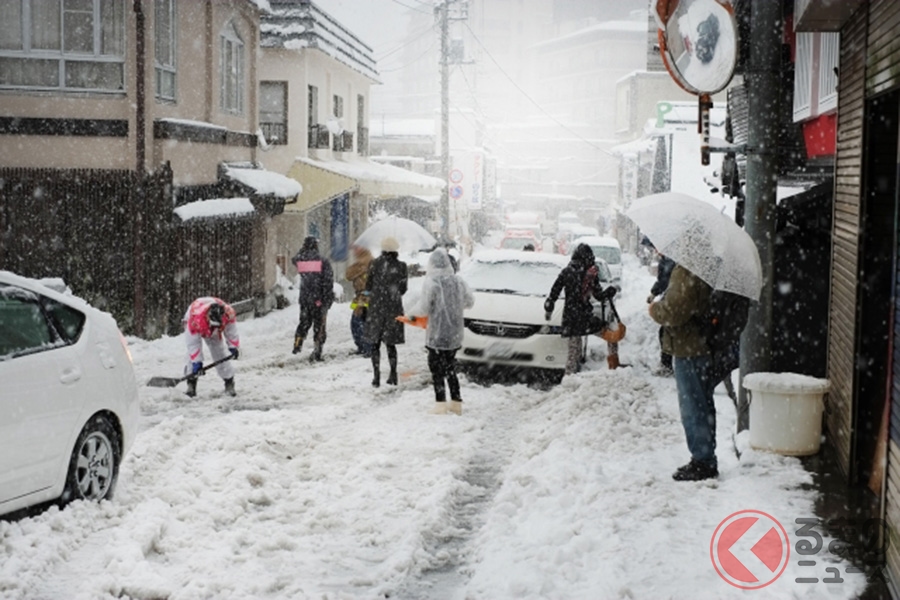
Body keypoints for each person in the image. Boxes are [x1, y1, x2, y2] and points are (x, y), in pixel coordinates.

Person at [648, 264, 718, 481]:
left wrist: (655, 309)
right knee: (702, 403)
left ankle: (702, 461)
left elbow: (676, 310)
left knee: (693, 405)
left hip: (689, 346)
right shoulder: (706, 266)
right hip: (701, 345)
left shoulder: (689, 269)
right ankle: (705, 457)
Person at [406, 248, 475, 415]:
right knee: (450, 367)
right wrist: (455, 306)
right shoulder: (459, 281)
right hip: (454, 334)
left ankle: (440, 404)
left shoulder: (432, 282)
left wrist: (410, 315)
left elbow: (423, 308)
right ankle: (456, 402)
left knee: (436, 369)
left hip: (437, 334)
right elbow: (470, 301)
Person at [544, 243, 617, 375]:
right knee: (611, 335)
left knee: (574, 352)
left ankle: (569, 378)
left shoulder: (567, 272)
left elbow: (554, 291)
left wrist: (549, 307)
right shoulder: (591, 274)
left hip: (571, 318)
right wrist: (608, 293)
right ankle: (614, 366)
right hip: (585, 316)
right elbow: (598, 295)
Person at [365, 237, 408, 387]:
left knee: (374, 343)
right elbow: (403, 290)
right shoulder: (402, 266)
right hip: (393, 309)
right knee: (391, 344)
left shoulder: (374, 264)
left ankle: (376, 376)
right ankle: (393, 373)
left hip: (376, 308)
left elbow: (368, 286)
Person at [183, 297, 240, 398]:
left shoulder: (228, 313)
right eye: (212, 325)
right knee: (192, 356)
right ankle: (191, 383)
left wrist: (233, 346)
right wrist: (197, 362)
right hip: (196, 323)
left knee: (219, 352)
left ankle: (229, 381)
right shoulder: (195, 319)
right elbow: (193, 343)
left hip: (209, 322)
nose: (214, 328)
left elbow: (231, 329)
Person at [292, 236, 334, 361]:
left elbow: (294, 259)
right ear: (316, 246)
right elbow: (328, 282)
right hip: (319, 300)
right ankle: (317, 350)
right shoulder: (323, 261)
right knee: (319, 325)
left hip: (305, 298)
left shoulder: (301, 260)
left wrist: (303, 250)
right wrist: (327, 299)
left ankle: (297, 346)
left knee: (304, 322)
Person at [647, 249, 676, 376]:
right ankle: (667, 363)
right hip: (672, 298)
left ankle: (667, 365)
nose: (655, 250)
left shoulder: (670, 260)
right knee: (666, 332)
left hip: (674, 300)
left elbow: (664, 281)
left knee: (666, 332)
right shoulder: (667, 259)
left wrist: (654, 293)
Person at [345, 244, 373, 357]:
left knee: (358, 321)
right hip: (361, 296)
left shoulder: (364, 261)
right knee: (360, 321)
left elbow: (348, 275)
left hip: (364, 296)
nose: (354, 251)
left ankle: (366, 347)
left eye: (357, 248)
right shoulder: (365, 260)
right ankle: (364, 347)